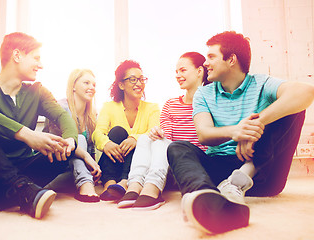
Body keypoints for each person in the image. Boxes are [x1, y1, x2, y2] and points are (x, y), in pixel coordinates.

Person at [167, 31, 314, 234]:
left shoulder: (262, 83)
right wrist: (237, 131)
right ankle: (206, 198)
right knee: (177, 147)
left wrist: (255, 125)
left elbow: (306, 92)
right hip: (217, 172)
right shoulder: (204, 93)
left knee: (293, 108)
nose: (205, 63)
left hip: (261, 174)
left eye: (211, 57)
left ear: (231, 59)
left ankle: (239, 181)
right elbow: (204, 134)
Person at [0, 32, 78, 219]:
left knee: (62, 154)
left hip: (20, 168)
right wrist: (25, 134)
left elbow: (61, 114)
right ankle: (24, 189)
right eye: (36, 58)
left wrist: (70, 139)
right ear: (17, 55)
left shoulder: (37, 92)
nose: (41, 65)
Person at [117, 52, 209, 210]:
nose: (178, 75)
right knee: (147, 138)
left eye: (183, 70)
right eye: (176, 71)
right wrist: (156, 133)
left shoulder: (211, 101)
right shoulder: (170, 104)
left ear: (199, 71)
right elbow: (166, 138)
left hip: (194, 165)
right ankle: (135, 185)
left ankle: (153, 187)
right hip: (169, 166)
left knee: (165, 144)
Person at [92, 60, 160, 201]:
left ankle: (124, 183)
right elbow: (97, 133)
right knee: (117, 132)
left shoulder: (152, 108)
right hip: (114, 161)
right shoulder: (109, 107)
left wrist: (134, 138)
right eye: (133, 79)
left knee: (141, 141)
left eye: (141, 79)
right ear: (121, 84)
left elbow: (154, 132)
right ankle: (109, 184)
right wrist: (106, 143)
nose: (139, 84)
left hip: (137, 168)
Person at [44, 69, 101, 202]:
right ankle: (85, 185)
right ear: (73, 86)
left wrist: (93, 168)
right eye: (86, 83)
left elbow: (90, 148)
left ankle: (84, 181)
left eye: (94, 85)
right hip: (53, 162)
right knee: (78, 138)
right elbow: (59, 143)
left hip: (74, 169)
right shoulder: (60, 108)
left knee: (94, 168)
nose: (91, 87)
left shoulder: (91, 115)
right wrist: (86, 156)